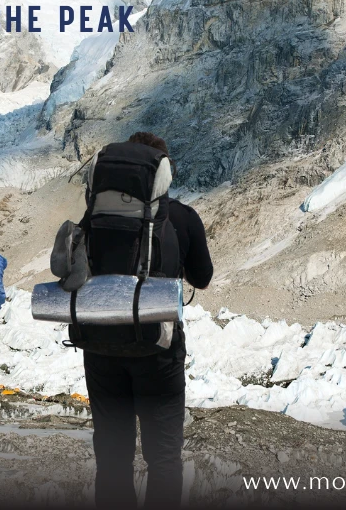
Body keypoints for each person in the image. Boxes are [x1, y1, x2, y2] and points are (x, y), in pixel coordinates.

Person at [85, 132, 213, 509]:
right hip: (160, 350)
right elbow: (202, 277)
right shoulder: (183, 217)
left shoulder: (96, 215)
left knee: (112, 460)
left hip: (101, 348)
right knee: (163, 460)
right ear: (163, 173)